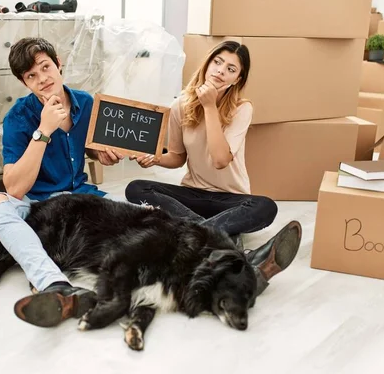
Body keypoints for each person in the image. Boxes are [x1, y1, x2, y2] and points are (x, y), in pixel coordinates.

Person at [125, 40, 302, 295]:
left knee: (265, 206)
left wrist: (209, 106)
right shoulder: (180, 106)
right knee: (137, 187)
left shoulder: (242, 109)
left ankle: (193, 237)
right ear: (207, 64)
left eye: (231, 69)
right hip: (193, 194)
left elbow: (220, 160)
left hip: (231, 199)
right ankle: (231, 247)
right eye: (217, 62)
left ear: (237, 80)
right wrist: (156, 159)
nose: (221, 71)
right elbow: (177, 156)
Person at [0, 37, 125, 328]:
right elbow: (15, 189)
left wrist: (102, 154)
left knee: (137, 217)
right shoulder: (18, 117)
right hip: (38, 205)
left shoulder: (86, 102)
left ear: (59, 65)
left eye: (46, 67)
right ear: (25, 83)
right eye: (31, 75)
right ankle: (54, 284)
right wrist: (44, 130)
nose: (42, 79)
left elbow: (90, 147)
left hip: (81, 199)